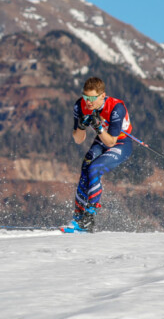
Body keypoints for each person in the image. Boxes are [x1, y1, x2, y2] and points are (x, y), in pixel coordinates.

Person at [69, 76, 133, 232]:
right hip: (102, 140)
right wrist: (81, 127)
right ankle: (78, 217)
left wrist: (99, 128)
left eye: (92, 98)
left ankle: (90, 217)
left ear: (102, 95)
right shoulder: (80, 105)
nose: (88, 101)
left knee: (94, 169)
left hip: (121, 143)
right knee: (85, 168)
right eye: (85, 97)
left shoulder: (116, 107)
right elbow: (78, 139)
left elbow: (111, 142)